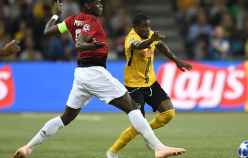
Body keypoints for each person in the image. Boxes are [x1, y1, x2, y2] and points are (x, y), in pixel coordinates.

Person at [12, 1, 186, 158]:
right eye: (97, 2)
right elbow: (80, 43)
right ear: (87, 5)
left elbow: (47, 31)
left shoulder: (71, 21)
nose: (101, 4)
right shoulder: (91, 22)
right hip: (94, 72)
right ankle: (158, 147)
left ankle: (28, 147)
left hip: (81, 74)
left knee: (66, 117)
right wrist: (90, 45)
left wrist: (56, 15)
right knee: (132, 106)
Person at [106, 13, 192, 158]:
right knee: (138, 123)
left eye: (148, 26)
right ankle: (112, 152)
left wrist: (176, 60)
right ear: (135, 27)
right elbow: (140, 46)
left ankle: (147, 133)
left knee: (168, 113)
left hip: (150, 83)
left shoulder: (149, 34)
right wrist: (152, 39)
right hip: (134, 87)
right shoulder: (131, 38)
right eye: (143, 26)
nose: (147, 29)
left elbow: (160, 45)